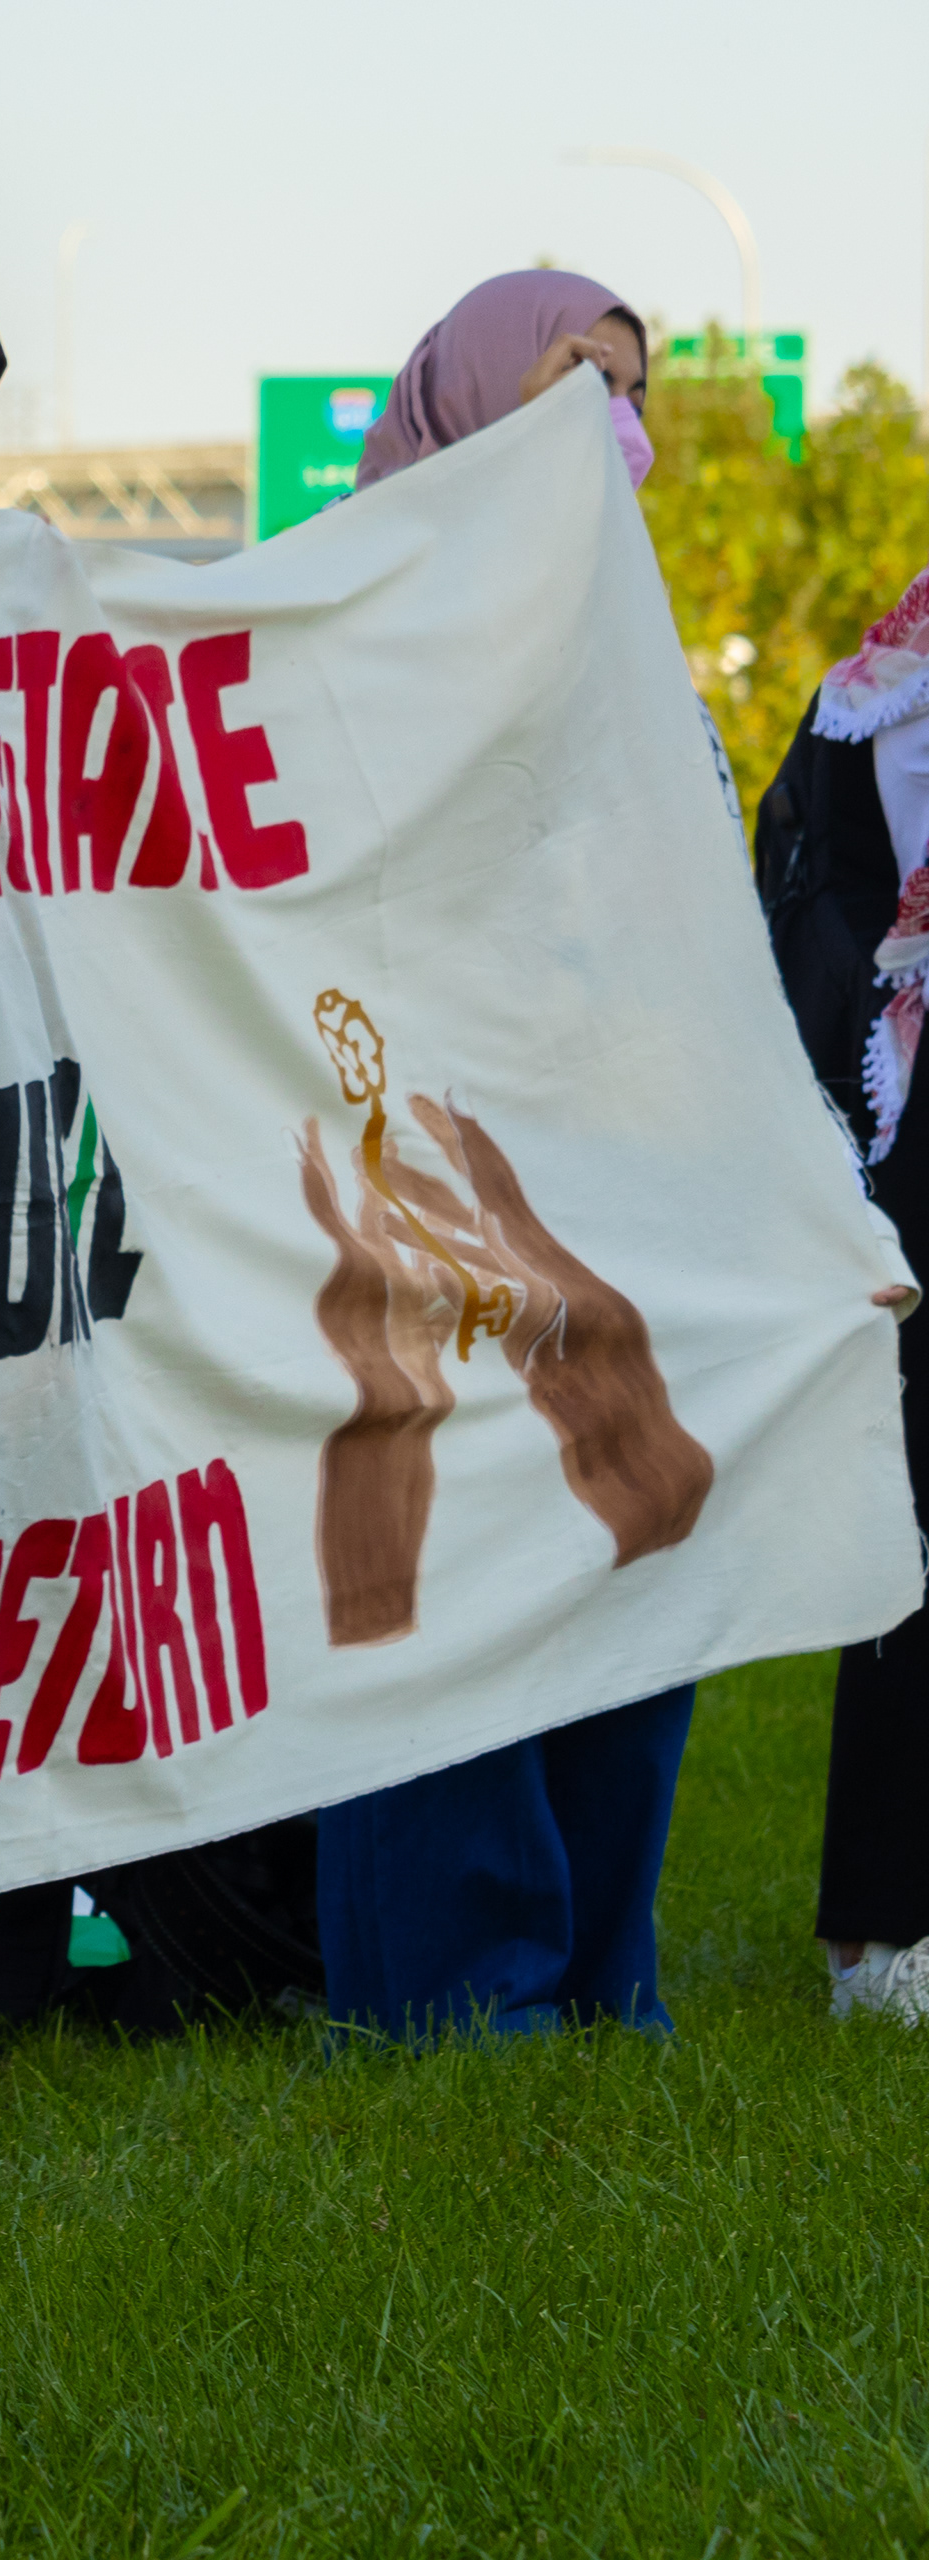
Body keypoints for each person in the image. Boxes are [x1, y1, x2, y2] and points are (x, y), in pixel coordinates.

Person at [309, 271, 701, 2042]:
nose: (610, 426)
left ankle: (603, 1969)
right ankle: (458, 1994)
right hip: (426, 1183)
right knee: (455, 1571)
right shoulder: (352, 624)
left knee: (637, 1535)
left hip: (618, 1173)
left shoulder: (630, 639)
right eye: (572, 385)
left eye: (631, 393)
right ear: (471, 405)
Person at [766, 562, 929, 2019]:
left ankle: (878, 1929)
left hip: (892, 1128)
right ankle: (882, 1930)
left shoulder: (866, 675)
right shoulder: (876, 696)